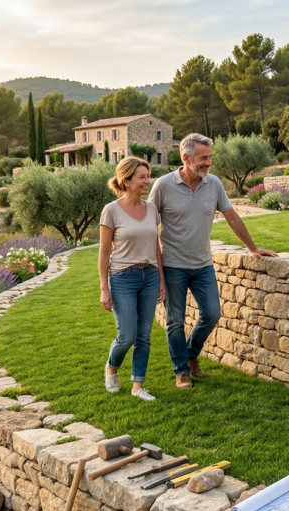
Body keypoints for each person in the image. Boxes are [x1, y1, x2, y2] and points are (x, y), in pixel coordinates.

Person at [149, 133, 277, 388]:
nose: (208, 163)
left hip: (203, 264)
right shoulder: (163, 186)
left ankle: (190, 355)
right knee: (175, 320)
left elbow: (231, 216)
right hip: (173, 265)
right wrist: (157, 270)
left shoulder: (214, 184)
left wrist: (253, 248)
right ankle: (181, 370)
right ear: (186, 158)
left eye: (210, 157)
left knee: (212, 314)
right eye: (203, 158)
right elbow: (149, 228)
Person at [98, 156, 166, 401]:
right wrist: (104, 288)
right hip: (122, 278)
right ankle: (111, 367)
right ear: (126, 181)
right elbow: (104, 252)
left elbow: (156, 246)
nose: (148, 181)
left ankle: (138, 387)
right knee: (127, 335)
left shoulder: (152, 209)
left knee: (144, 335)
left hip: (148, 276)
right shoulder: (111, 211)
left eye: (148, 176)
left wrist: (160, 280)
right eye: (142, 177)